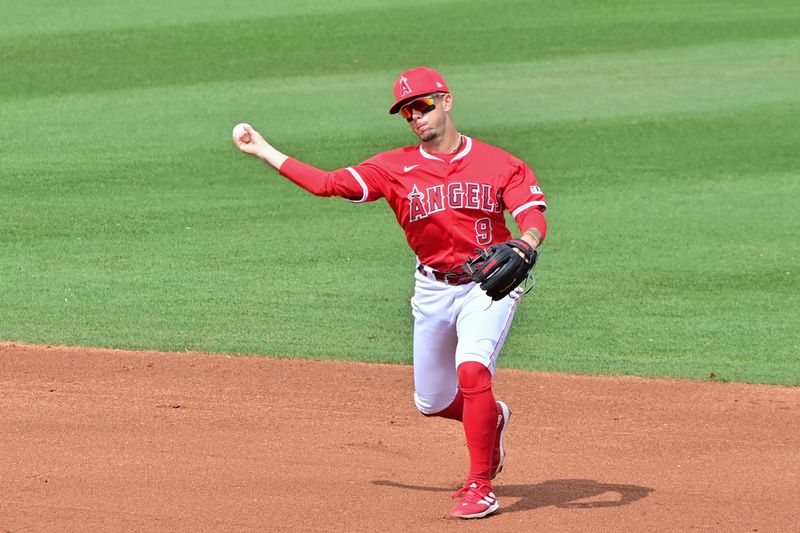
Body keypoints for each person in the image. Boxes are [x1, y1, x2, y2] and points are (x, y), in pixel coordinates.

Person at [232, 66, 548, 519]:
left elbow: (531, 213)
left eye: (423, 105)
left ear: (446, 101)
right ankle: (491, 418)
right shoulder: (393, 167)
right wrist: (263, 150)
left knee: (473, 370)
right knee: (433, 401)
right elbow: (326, 184)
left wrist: (526, 241)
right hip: (432, 288)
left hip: (487, 286)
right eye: (407, 112)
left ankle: (480, 484)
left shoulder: (500, 162)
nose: (416, 117)